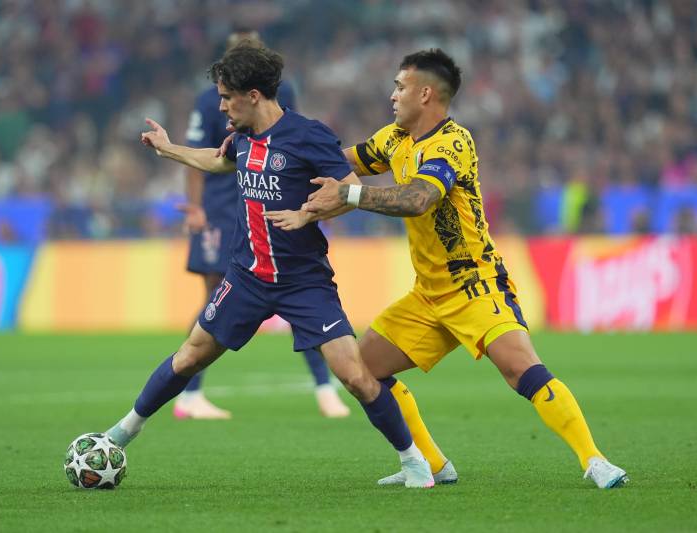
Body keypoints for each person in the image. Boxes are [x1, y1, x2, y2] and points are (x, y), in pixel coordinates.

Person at [266, 48, 629, 489]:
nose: (392, 95)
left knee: (521, 369)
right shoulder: (393, 139)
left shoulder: (453, 143)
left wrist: (349, 195)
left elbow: (419, 198)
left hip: (474, 283)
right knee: (363, 370)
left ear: (425, 94)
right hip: (427, 293)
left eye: (400, 87)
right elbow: (335, 161)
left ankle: (595, 460)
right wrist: (268, 152)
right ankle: (433, 465)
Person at [105, 44, 434, 488]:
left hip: (304, 281)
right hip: (247, 277)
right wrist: (168, 149)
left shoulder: (309, 135)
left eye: (227, 97)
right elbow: (217, 161)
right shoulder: (241, 137)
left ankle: (414, 463)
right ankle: (119, 435)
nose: (222, 107)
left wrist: (306, 214)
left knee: (356, 376)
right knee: (188, 356)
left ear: (254, 95)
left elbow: (349, 190)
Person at [176, 29, 349, 420]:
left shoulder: (280, 96)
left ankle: (324, 386)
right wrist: (196, 206)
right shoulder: (211, 100)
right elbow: (203, 156)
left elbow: (295, 145)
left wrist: (311, 207)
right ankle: (191, 392)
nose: (248, 48)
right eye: (241, 45)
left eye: (254, 45)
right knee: (215, 297)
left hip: (268, 205)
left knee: (294, 288)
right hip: (222, 209)